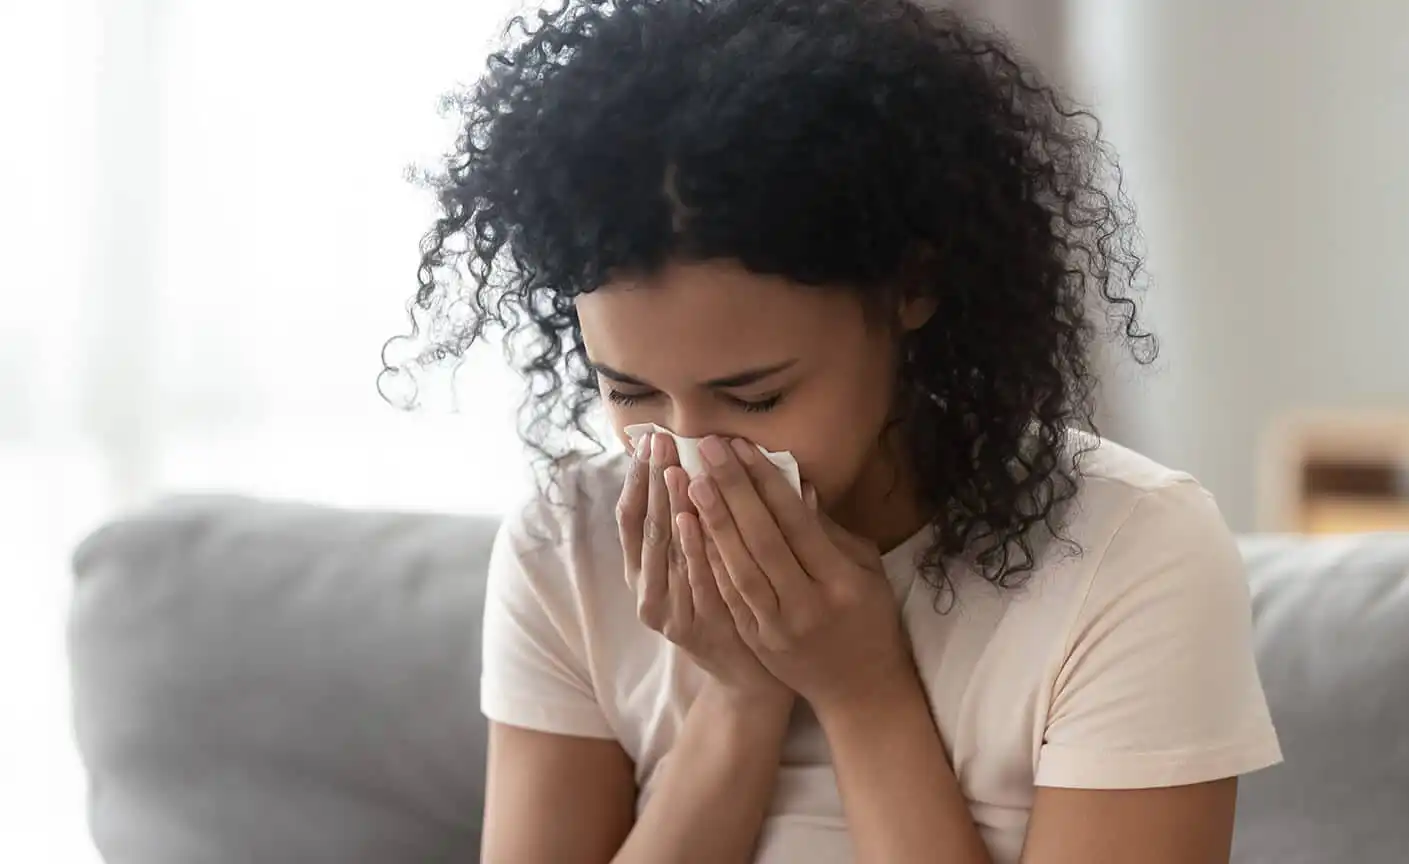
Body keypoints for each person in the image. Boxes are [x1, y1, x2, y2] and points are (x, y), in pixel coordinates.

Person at [384, 1, 1282, 861]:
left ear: (912, 290)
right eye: (632, 395)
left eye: (756, 399)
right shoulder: (566, 550)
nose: (692, 459)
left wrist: (865, 695)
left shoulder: (1129, 553)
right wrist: (739, 701)